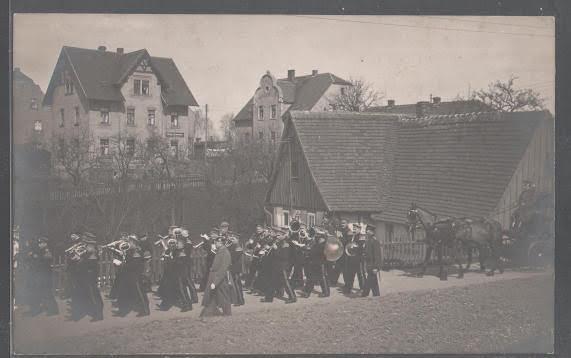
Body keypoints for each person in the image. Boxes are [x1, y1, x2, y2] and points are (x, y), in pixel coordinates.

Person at [25, 236, 59, 316]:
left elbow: (45, 261)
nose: (39, 244)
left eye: (41, 243)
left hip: (46, 276)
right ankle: (36, 310)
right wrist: (33, 256)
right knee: (38, 292)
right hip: (40, 275)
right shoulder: (40, 251)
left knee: (47, 292)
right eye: (39, 243)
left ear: (46, 244)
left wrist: (35, 256)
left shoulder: (47, 251)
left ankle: (53, 310)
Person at [200, 236, 233, 317]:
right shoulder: (220, 251)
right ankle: (209, 312)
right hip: (215, 276)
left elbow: (223, 269)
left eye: (216, 242)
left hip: (221, 278)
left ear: (221, 243)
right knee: (212, 295)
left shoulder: (225, 252)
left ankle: (227, 313)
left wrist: (215, 282)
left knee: (223, 296)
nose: (215, 243)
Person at [301, 232, 330, 298]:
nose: (317, 237)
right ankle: (307, 292)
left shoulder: (324, 244)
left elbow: (318, 252)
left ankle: (326, 292)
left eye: (319, 236)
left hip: (321, 263)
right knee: (311, 277)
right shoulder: (317, 243)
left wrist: (308, 249)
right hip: (314, 262)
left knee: (322, 277)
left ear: (323, 238)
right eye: (317, 236)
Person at [343, 223, 365, 294]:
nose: (354, 230)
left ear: (360, 229)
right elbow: (348, 244)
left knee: (360, 274)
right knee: (350, 274)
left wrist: (355, 247)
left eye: (356, 229)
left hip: (358, 258)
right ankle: (348, 288)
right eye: (354, 228)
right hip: (351, 258)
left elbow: (361, 247)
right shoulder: (352, 236)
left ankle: (363, 288)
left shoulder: (361, 237)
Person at [361, 225, 382, 297]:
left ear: (372, 232)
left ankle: (364, 295)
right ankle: (376, 295)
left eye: (368, 230)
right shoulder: (368, 241)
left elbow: (377, 256)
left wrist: (376, 267)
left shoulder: (375, 241)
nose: (367, 231)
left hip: (373, 265)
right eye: (366, 230)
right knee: (373, 281)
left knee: (369, 280)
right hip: (369, 264)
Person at [244, 224, 264, 289]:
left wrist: (260, 247)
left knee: (259, 272)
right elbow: (249, 246)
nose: (258, 230)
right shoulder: (254, 235)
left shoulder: (263, 236)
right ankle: (248, 285)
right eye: (257, 229)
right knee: (252, 271)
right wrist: (250, 243)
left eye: (259, 229)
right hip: (254, 255)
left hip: (260, 255)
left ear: (262, 229)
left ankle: (256, 287)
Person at [228, 236, 245, 306]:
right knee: (235, 284)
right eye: (231, 239)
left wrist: (228, 247)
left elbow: (233, 258)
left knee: (237, 285)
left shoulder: (238, 247)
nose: (232, 240)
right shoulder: (233, 246)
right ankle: (237, 299)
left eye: (233, 239)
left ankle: (239, 300)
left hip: (236, 269)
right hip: (233, 268)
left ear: (237, 240)